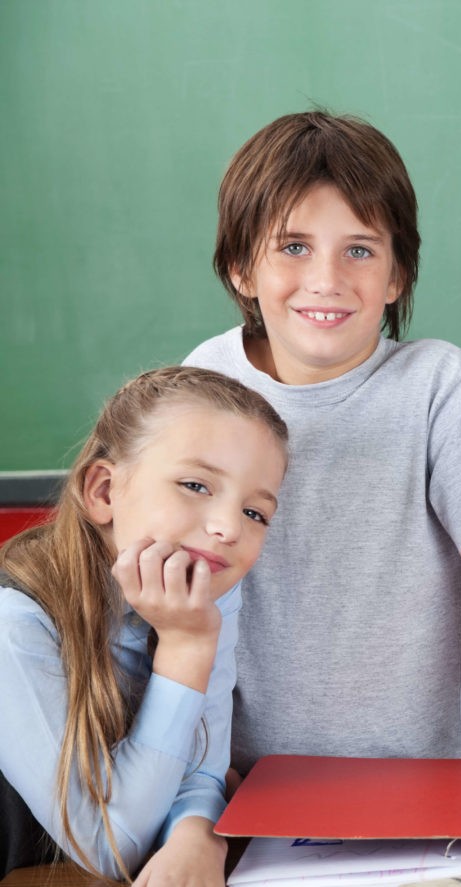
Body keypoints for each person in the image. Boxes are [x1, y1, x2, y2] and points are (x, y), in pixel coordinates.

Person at [185, 111, 461, 884]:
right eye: (292, 246)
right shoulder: (202, 389)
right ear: (241, 269)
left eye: (360, 248)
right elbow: (178, 610)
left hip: (425, 800)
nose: (326, 278)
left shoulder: (440, 388)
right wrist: (193, 810)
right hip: (241, 796)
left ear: (398, 274)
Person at [0, 366, 288, 883]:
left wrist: (198, 832)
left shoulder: (201, 584)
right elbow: (109, 846)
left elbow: (202, 761)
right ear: (105, 491)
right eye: (196, 485)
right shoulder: (13, 625)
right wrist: (184, 650)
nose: (226, 528)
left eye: (255, 513)